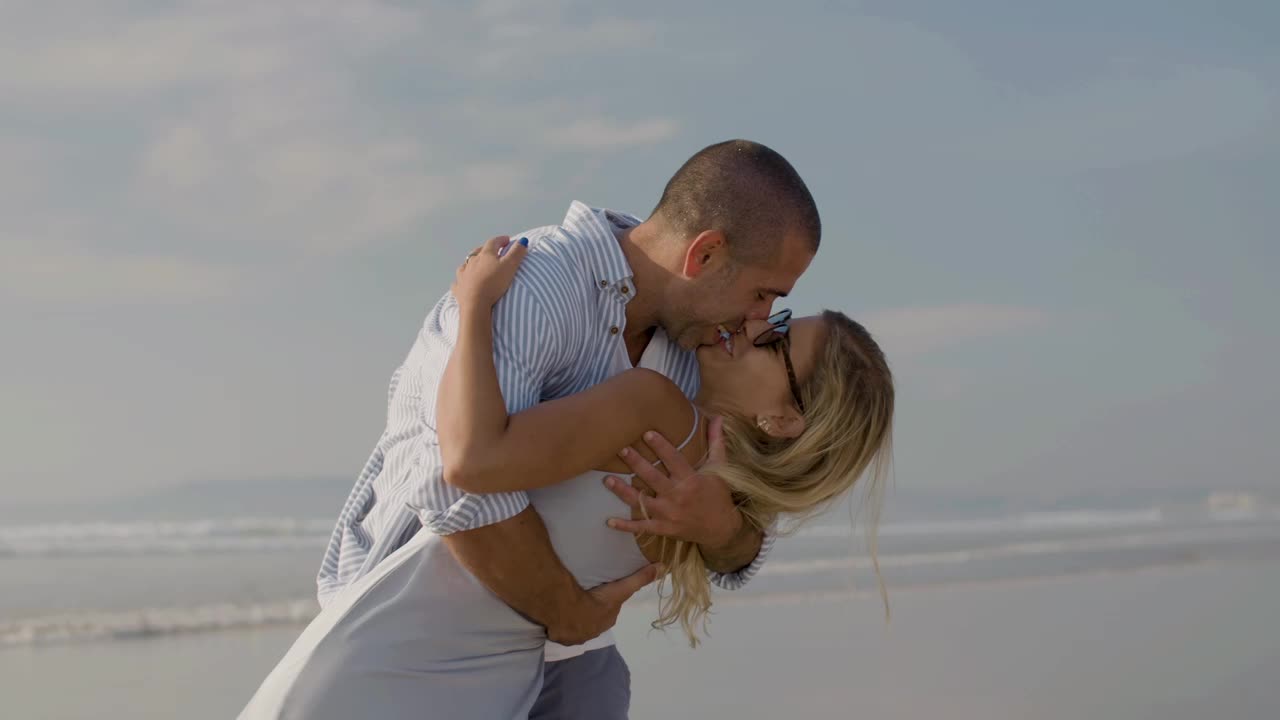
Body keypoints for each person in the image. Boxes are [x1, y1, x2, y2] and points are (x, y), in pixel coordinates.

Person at [250, 140, 835, 719]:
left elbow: (737, 532)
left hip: (569, 663)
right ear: (704, 255)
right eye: (763, 294)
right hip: (415, 640)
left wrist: (722, 527)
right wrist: (565, 610)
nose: (759, 319)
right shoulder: (538, 283)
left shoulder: (697, 354)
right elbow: (452, 484)